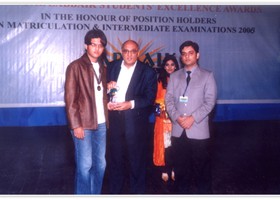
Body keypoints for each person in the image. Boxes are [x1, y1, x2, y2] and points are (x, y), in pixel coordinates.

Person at [165, 40, 217, 194]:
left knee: (202, 173)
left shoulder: (207, 76)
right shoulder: (174, 76)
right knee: (181, 172)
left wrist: (192, 118)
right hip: (178, 131)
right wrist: (177, 117)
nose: (187, 56)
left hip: (198, 131)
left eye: (191, 53)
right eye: (184, 54)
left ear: (197, 55)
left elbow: (209, 102)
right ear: (181, 57)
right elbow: (168, 100)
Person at [106, 39, 157, 194]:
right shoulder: (111, 67)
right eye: (126, 51)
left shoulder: (147, 71)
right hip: (114, 122)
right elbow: (100, 89)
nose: (129, 54)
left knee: (137, 163)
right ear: (121, 52)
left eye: (133, 51)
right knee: (115, 162)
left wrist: (130, 104)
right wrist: (107, 92)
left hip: (135, 124)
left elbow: (149, 98)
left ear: (138, 52)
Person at [64, 28, 108, 194]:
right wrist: (76, 125)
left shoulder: (103, 67)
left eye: (100, 45)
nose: (97, 48)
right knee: (85, 165)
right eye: (93, 45)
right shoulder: (75, 67)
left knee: (101, 164)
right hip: (83, 124)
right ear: (86, 46)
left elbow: (99, 92)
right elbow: (70, 99)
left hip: (102, 123)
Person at [153, 55, 179, 185]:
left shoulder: (181, 80)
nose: (170, 67)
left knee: (174, 145)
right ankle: (164, 169)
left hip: (176, 119)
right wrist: (160, 112)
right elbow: (155, 100)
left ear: (176, 66)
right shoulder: (159, 81)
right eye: (167, 65)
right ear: (164, 67)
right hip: (162, 119)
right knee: (163, 145)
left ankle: (174, 168)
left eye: (172, 64)